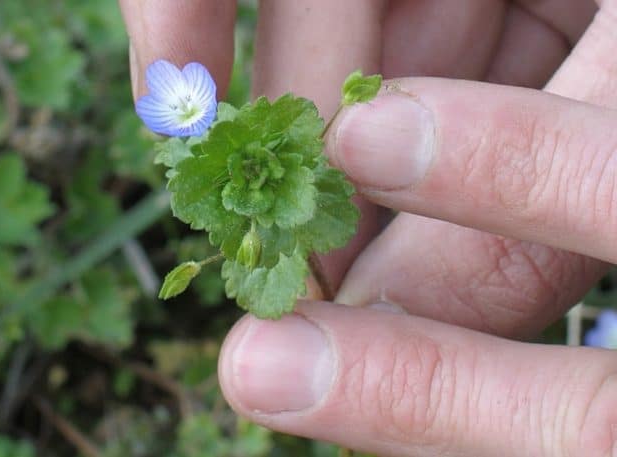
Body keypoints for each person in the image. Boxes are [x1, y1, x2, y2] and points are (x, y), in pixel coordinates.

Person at [119, 1, 617, 455]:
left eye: (186, 105)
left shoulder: (264, 153)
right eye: (181, 109)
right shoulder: (207, 136)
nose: (186, 108)